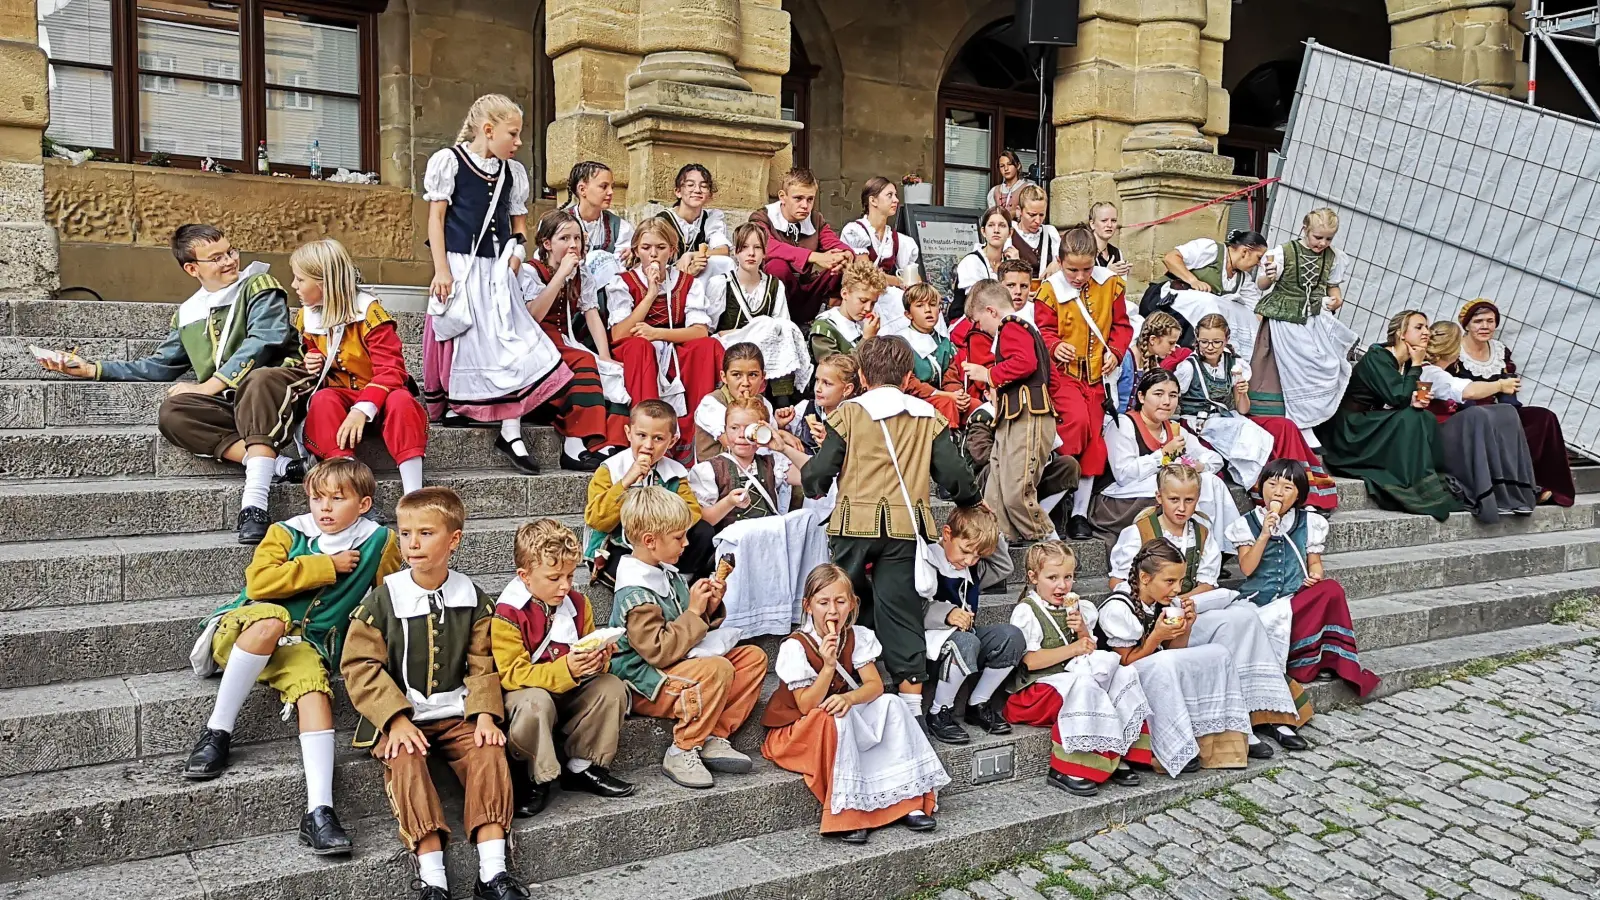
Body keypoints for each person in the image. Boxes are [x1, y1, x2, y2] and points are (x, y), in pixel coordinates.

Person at [183, 458, 401, 855]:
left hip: (307, 644)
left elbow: (391, 596)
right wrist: (323, 566)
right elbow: (259, 583)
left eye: (338, 498)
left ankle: (319, 812)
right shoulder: (286, 532)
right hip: (250, 628)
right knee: (274, 619)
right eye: (317, 498)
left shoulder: (378, 541)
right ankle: (217, 732)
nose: (325, 508)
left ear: (364, 504)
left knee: (315, 692)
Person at [39, 223, 306, 545]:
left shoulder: (259, 284)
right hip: (234, 400)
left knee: (258, 379)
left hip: (280, 385)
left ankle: (254, 505)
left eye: (230, 251)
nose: (230, 261)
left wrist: (208, 386)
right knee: (174, 412)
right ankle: (284, 468)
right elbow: (160, 365)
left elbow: (265, 340)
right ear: (192, 268)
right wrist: (92, 369)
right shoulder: (188, 313)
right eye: (216, 257)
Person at [339, 487, 526, 900]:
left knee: (489, 751)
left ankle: (492, 872)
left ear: (453, 540)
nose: (413, 543)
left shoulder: (473, 598)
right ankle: (432, 876)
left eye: (425, 533)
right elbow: (359, 665)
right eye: (405, 534)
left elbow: (482, 662)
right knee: (403, 758)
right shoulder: (384, 599)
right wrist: (395, 718)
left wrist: (482, 715)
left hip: (456, 711)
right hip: (402, 716)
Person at [802, 336, 983, 728]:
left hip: (853, 524)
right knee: (901, 612)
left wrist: (812, 485)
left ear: (863, 376)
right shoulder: (928, 416)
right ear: (906, 377)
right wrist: (970, 498)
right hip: (906, 527)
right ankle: (911, 710)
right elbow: (955, 477)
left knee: (839, 603)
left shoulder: (849, 413)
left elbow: (818, 473)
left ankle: (828, 680)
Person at [1106, 464, 1301, 759]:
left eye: (1189, 501)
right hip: (1153, 616)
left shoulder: (1202, 531)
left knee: (1244, 618)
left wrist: (1184, 599)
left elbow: (1208, 582)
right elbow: (1118, 580)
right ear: (1159, 497)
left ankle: (1264, 710)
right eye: (1174, 500)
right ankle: (1237, 724)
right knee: (1226, 630)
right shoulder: (1139, 532)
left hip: (1189, 607)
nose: (1182, 508)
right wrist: (1160, 600)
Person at [422, 94, 571, 475]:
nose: (519, 142)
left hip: (497, 270)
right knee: (465, 338)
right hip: (459, 265)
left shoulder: (512, 172)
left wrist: (517, 253)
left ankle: (510, 428)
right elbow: (436, 221)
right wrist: (442, 270)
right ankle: (459, 406)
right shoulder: (449, 162)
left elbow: (518, 223)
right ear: (488, 131)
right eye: (513, 134)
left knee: (512, 342)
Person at [762, 563, 948, 843]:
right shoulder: (795, 646)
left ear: (852, 604)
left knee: (892, 705)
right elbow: (805, 706)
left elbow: (873, 685)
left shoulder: (857, 636)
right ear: (808, 606)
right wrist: (827, 666)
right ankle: (849, 811)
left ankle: (907, 799)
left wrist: (848, 697)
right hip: (799, 730)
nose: (833, 611)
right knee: (835, 717)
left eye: (840, 601)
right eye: (823, 602)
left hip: (839, 715)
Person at [607, 487, 769, 788]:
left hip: (678, 662)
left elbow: (686, 626)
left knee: (753, 659)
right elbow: (658, 651)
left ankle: (714, 734)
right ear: (650, 541)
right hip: (645, 680)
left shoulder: (666, 572)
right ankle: (682, 749)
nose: (687, 542)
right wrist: (694, 613)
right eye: (679, 537)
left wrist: (706, 606)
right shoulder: (636, 593)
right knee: (717, 669)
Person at [493, 519, 633, 819]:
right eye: (554, 577)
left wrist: (599, 659)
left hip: (568, 693)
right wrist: (565, 669)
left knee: (610, 686)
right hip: (526, 701)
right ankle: (534, 775)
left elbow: (587, 655)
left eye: (570, 575)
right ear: (525, 576)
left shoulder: (579, 604)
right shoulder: (508, 614)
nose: (565, 586)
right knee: (536, 702)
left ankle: (582, 765)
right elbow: (512, 674)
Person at [1227, 460, 1381, 728]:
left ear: (1298, 494)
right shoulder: (1246, 524)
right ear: (1261, 488)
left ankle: (1322, 659)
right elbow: (1247, 568)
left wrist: (1316, 575)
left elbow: (1315, 563)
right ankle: (1295, 664)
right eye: (1272, 484)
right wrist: (1264, 533)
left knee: (1330, 589)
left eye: (1287, 487)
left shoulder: (1310, 522)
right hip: (1260, 603)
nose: (1278, 492)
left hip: (1293, 599)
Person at [1001, 541, 1152, 795]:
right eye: (1052, 578)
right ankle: (1070, 766)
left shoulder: (1079, 608)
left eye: (1068, 577)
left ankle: (1118, 748)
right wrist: (1073, 649)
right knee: (1084, 684)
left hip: (1066, 682)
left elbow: (1088, 647)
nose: (1062, 585)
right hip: (1035, 692)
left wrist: (1081, 630)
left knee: (1122, 673)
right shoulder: (1027, 611)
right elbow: (1030, 661)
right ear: (1033, 577)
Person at [1094, 540, 1252, 775]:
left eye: (1180, 581)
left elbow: (1175, 652)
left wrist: (1186, 627)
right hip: (1117, 681)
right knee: (1165, 663)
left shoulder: (1164, 602)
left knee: (1218, 653)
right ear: (1145, 578)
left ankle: (1216, 744)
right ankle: (1165, 749)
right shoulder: (1118, 608)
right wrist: (1156, 636)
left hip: (1152, 668)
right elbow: (1125, 662)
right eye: (1170, 581)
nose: (1177, 589)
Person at [291, 240, 428, 494]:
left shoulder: (369, 314)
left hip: (381, 397)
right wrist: (312, 359)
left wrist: (361, 411)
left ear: (323, 283)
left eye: (300, 279)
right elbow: (312, 348)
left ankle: (413, 492)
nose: (294, 286)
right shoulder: (306, 317)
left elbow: (392, 370)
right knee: (323, 399)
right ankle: (346, 477)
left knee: (402, 401)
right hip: (341, 396)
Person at [1172, 313, 1337, 510]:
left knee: (1284, 426)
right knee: (1250, 435)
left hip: (1229, 418)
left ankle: (1298, 489)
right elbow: (1172, 401)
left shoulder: (1234, 364)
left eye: (1216, 342)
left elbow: (1243, 409)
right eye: (1204, 341)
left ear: (1227, 340)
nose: (1210, 347)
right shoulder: (1188, 368)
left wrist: (1242, 393)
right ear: (1197, 339)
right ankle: (1267, 492)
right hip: (1200, 423)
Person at [1035, 224, 1134, 539]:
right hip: (1064, 377)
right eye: (1072, 270)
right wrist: (1054, 345)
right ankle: (1044, 508)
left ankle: (1078, 514)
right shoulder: (1049, 291)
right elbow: (1042, 329)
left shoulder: (1111, 286)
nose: (1079, 277)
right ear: (1060, 261)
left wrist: (1116, 353)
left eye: (1086, 269)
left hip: (1098, 379)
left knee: (1095, 443)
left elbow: (1121, 326)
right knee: (1075, 427)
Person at [1317, 310, 1461, 521]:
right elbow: (1398, 397)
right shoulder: (1379, 356)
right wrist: (1418, 366)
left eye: (1427, 327)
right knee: (1412, 418)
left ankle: (1426, 482)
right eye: (1419, 327)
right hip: (1349, 429)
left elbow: (1401, 397)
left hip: (1369, 421)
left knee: (1425, 417)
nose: (1426, 332)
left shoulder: (1405, 362)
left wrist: (1416, 399)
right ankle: (1408, 480)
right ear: (1402, 333)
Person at [962, 281, 1079, 541]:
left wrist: (989, 374)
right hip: (1012, 415)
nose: (981, 329)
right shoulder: (1025, 329)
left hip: (1027, 417)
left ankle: (1048, 541)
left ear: (991, 311)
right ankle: (1000, 540)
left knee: (1016, 490)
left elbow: (1025, 363)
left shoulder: (1011, 325)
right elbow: (1051, 378)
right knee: (996, 489)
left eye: (980, 321)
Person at [520, 208, 630, 469]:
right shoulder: (529, 271)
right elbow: (532, 316)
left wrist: (604, 355)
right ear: (547, 244)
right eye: (565, 239)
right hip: (536, 340)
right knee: (581, 363)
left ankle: (606, 444)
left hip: (563, 339)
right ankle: (573, 443)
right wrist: (560, 276)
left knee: (611, 371)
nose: (573, 245)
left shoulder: (582, 275)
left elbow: (591, 313)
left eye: (577, 239)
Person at [1092, 369, 1240, 550]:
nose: (1166, 402)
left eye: (1173, 395)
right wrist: (1163, 456)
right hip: (1121, 500)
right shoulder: (1124, 424)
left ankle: (1217, 546)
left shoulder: (1173, 428)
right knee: (1183, 485)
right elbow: (1124, 475)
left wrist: (1199, 465)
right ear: (1141, 396)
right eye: (1158, 394)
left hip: (1160, 492)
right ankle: (1197, 546)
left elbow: (1214, 458)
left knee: (1208, 481)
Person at [606, 217, 726, 436]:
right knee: (640, 347)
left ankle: (697, 431)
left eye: (660, 248)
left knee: (707, 346)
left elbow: (700, 331)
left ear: (672, 251)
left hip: (671, 343)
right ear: (636, 250)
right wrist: (651, 294)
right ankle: (647, 429)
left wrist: (657, 333)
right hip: (636, 349)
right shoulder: (623, 281)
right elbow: (619, 333)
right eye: (646, 247)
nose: (653, 254)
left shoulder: (687, 283)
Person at [1451, 298, 1576, 507]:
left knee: (1543, 417)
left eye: (1490, 321)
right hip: (1467, 415)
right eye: (1478, 321)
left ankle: (1539, 483)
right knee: (1496, 425)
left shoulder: (1499, 351)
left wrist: (1511, 416)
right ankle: (1517, 488)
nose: (1485, 326)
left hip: (1500, 412)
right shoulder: (1456, 352)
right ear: (1467, 325)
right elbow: (1455, 394)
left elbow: (1509, 393)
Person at [1250, 208, 1360, 445]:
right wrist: (1269, 275)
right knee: (1293, 368)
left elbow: (1332, 287)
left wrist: (1337, 299)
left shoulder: (1334, 257)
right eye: (1318, 237)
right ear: (1305, 229)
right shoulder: (1283, 253)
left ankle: (1306, 421)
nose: (1322, 243)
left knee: (1325, 365)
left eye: (1328, 238)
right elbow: (1261, 285)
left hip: (1313, 318)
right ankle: (1294, 422)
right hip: (1284, 320)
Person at [920, 506, 1025, 745]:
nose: (969, 560)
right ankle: (939, 711)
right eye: (966, 551)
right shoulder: (928, 558)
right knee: (967, 641)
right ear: (947, 534)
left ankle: (977, 703)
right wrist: (947, 614)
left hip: (969, 640)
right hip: (934, 644)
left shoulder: (971, 566)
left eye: (978, 556)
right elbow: (913, 608)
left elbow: (1003, 567)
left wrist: (991, 529)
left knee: (1011, 636)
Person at [583, 400, 715, 585]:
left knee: (703, 531)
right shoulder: (610, 469)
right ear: (629, 433)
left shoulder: (675, 472)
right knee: (625, 568)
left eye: (658, 438)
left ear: (672, 441)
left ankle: (681, 580)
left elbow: (692, 512)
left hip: (663, 544)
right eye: (642, 435)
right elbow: (596, 519)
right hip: (620, 545)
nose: (648, 445)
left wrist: (661, 523)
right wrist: (626, 482)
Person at [1422, 321, 1538, 523]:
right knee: (1477, 416)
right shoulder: (1428, 372)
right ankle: (1488, 493)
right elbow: (1469, 391)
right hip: (1434, 437)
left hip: (1449, 433)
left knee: (1506, 412)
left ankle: (1512, 491)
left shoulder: (1440, 372)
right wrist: (1501, 384)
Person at [706, 223, 812, 406]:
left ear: (764, 252)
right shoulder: (721, 283)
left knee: (782, 331)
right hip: (733, 347)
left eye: (757, 248)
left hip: (768, 351)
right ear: (736, 252)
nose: (751, 253)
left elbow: (782, 325)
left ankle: (782, 402)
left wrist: (763, 328)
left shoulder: (774, 285)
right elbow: (710, 329)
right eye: (745, 247)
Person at [749, 167, 854, 325]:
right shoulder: (762, 217)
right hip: (774, 294)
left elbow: (833, 242)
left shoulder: (815, 219)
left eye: (810, 199)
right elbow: (766, 245)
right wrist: (814, 257)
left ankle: (831, 317)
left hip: (807, 294)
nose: (805, 205)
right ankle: (778, 321)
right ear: (782, 197)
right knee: (777, 266)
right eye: (798, 198)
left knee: (839, 264)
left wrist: (846, 254)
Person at [1158, 230, 1268, 359]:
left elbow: (1255, 310)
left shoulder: (1244, 279)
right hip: (1168, 303)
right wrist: (1193, 280)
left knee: (1240, 311)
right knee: (1209, 302)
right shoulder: (1211, 250)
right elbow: (1170, 258)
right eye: (1259, 257)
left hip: (1197, 317)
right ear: (1245, 251)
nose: (1259, 264)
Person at [840, 176, 923, 337]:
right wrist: (900, 282)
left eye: (896, 195)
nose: (896, 200)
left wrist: (916, 286)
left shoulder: (899, 240)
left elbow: (913, 277)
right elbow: (868, 276)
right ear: (873, 200)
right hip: (865, 294)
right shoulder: (855, 231)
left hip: (888, 295)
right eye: (889, 195)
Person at [692, 342, 782, 463]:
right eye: (736, 375)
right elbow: (738, 447)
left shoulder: (764, 404)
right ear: (724, 377)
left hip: (758, 470)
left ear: (762, 377)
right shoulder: (711, 404)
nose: (745, 382)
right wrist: (782, 436)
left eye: (753, 375)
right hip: (719, 476)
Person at [657, 163, 735, 295]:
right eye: (690, 185)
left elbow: (723, 251)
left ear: (710, 194)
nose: (697, 190)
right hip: (668, 280)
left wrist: (692, 255)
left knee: (721, 262)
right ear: (678, 191)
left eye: (703, 186)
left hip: (700, 280)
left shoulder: (710, 218)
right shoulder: (663, 221)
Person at [899, 283, 966, 425]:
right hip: (914, 399)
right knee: (946, 404)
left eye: (933, 304)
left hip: (946, 396)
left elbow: (951, 376)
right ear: (908, 314)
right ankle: (949, 443)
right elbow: (909, 383)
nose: (928, 310)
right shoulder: (900, 344)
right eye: (920, 306)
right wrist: (946, 395)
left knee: (975, 405)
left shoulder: (945, 343)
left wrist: (957, 395)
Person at [810, 257, 885, 360]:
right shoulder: (825, 328)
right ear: (844, 293)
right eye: (863, 301)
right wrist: (866, 339)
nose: (868, 308)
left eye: (873, 303)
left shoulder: (865, 325)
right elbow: (837, 371)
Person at [788, 352, 859, 457]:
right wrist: (781, 425)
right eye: (817, 380)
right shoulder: (804, 408)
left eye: (827, 383)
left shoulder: (856, 419)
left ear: (847, 389)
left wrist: (831, 444)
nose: (818, 388)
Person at [564, 160, 633, 263]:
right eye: (603, 186)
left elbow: (621, 267)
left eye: (611, 187)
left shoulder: (619, 227)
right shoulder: (557, 223)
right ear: (582, 189)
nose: (611, 192)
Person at [952, 206, 1011, 311]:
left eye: (1002, 226)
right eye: (991, 225)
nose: (996, 230)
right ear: (983, 231)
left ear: (1010, 233)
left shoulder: (1009, 261)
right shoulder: (971, 262)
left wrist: (1015, 265)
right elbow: (980, 301)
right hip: (969, 321)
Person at [1005, 184, 1061, 284]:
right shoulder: (1009, 233)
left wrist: (1058, 263)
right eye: (1032, 215)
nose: (1038, 220)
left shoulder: (1050, 233)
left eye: (1041, 215)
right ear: (1019, 211)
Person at [1089, 201, 1132, 277]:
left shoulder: (1116, 252)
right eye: (1104, 221)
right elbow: (1078, 281)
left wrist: (1124, 273)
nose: (1109, 225)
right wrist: (1107, 272)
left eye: (1113, 220)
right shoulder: (1084, 251)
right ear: (1092, 224)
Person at [986, 149, 1032, 215]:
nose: (1006, 169)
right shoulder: (994, 191)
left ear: (1018, 166)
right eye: (1002, 166)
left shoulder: (1028, 188)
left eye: (1009, 164)